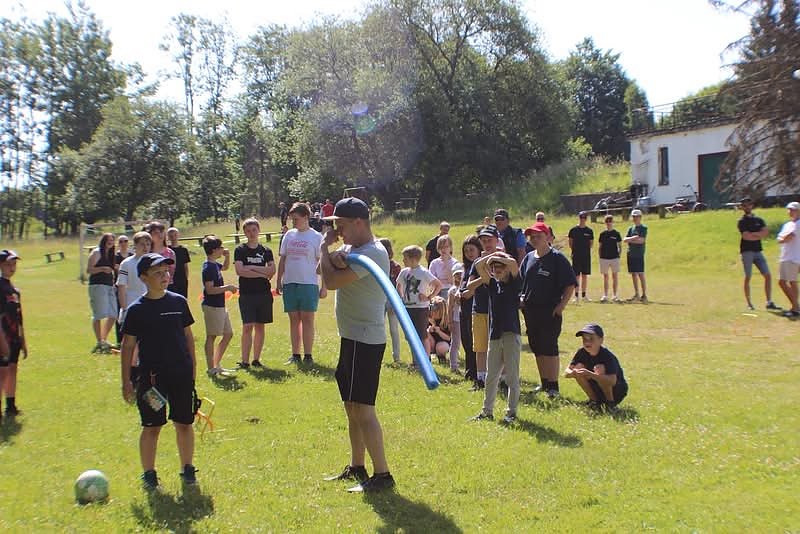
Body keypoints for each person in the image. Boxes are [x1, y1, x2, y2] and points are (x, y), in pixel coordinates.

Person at [319, 197, 395, 493]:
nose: (337, 231)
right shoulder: (353, 249)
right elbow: (330, 267)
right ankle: (357, 466)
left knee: (364, 408)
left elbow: (333, 281)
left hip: (366, 339)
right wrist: (333, 256)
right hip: (350, 336)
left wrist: (326, 250)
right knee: (351, 406)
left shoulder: (373, 253)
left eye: (341, 224)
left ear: (359, 223)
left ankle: (383, 474)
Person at [120, 253, 198, 490]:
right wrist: (126, 381)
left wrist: (193, 369)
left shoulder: (178, 302)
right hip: (153, 380)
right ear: (144, 278)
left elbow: (188, 337)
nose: (164, 276)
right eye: (157, 273)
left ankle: (187, 469)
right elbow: (128, 346)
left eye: (166, 272)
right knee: (152, 426)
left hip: (181, 375)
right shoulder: (136, 310)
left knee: (184, 422)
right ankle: (149, 475)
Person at [521, 222, 577, 399]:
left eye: (538, 236)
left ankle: (554, 387)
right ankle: (544, 383)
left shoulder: (557, 258)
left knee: (549, 347)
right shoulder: (528, 257)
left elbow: (570, 285)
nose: (534, 239)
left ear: (548, 237)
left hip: (550, 311)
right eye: (532, 237)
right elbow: (521, 282)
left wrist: (561, 307)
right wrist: (521, 299)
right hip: (530, 311)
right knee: (537, 347)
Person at [470, 252, 521, 424]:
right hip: (495, 335)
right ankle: (487, 411)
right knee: (491, 375)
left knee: (512, 376)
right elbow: (478, 266)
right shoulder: (493, 285)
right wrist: (492, 257)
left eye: (500, 267)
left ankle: (511, 412)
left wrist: (501, 258)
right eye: (494, 268)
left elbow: (513, 263)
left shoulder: (514, 283)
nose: (496, 270)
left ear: (506, 269)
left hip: (510, 333)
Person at [276, 202, 326, 365]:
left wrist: (324, 286)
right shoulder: (289, 235)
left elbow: (322, 263)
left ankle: (308, 355)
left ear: (306, 217)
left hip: (308, 283)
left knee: (308, 319)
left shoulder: (317, 237)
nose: (293, 222)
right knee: (293, 319)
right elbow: (283, 259)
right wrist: (279, 280)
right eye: (292, 220)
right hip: (290, 282)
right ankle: (295, 355)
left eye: (296, 219)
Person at [462, 225, 500, 390]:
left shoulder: (503, 259)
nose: (487, 243)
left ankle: (502, 380)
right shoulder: (477, 262)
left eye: (489, 240)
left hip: (499, 309)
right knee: (480, 346)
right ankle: (481, 380)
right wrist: (483, 275)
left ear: (496, 241)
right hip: (480, 308)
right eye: (483, 241)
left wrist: (487, 276)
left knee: (500, 347)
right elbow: (469, 285)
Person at [234, 218, 275, 368]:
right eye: (248, 231)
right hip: (247, 294)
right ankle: (244, 361)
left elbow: (272, 270)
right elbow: (240, 271)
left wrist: (250, 267)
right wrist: (262, 273)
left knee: (260, 327)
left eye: (254, 230)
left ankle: (256, 359)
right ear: (244, 232)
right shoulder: (240, 250)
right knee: (247, 327)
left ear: (259, 231)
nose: (251, 233)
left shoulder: (266, 251)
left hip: (264, 294)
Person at [565, 323, 628, 412]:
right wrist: (573, 372)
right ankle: (594, 401)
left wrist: (591, 374)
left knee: (600, 368)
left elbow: (612, 381)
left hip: (616, 391)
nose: (587, 342)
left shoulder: (607, 355)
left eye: (591, 339)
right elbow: (567, 372)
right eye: (584, 339)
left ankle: (610, 404)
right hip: (596, 389)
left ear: (601, 340)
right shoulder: (582, 352)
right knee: (579, 368)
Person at [397, 245, 442, 365]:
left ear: (413, 259)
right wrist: (400, 298)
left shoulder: (423, 272)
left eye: (405, 258)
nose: (403, 260)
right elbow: (398, 285)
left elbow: (438, 285)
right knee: (411, 336)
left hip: (421, 308)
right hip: (408, 308)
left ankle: (426, 360)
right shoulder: (404, 272)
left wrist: (429, 297)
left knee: (422, 335)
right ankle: (415, 361)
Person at [201, 236, 237, 376]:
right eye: (221, 248)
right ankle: (211, 368)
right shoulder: (208, 268)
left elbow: (226, 267)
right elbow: (210, 290)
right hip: (212, 306)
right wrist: (227, 287)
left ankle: (217, 364)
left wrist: (227, 256)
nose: (223, 249)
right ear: (214, 250)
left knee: (228, 334)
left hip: (220, 306)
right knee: (212, 336)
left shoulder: (214, 264)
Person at [738, 197, 778, 311]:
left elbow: (765, 232)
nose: (747, 207)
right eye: (744, 205)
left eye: (749, 204)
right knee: (748, 276)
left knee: (768, 275)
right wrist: (758, 234)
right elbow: (746, 236)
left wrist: (754, 234)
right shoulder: (741, 222)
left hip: (758, 251)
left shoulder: (759, 220)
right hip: (747, 251)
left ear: (752, 205)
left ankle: (769, 301)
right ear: (742, 207)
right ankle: (749, 303)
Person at [0, 250, 26, 418]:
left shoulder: (14, 290)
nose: (12, 267)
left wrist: (23, 340)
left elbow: (19, 317)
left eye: (14, 264)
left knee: (13, 369)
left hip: (14, 337)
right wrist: (2, 342)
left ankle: (11, 405)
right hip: (3, 337)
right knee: (2, 372)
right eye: (8, 264)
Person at [87, 233, 118, 353]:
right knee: (99, 314)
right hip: (97, 285)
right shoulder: (96, 252)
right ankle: (100, 341)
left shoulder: (111, 254)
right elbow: (89, 269)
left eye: (112, 240)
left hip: (109, 285)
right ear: (103, 241)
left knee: (113, 314)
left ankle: (103, 340)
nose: (110, 242)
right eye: (108, 240)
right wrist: (102, 269)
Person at [117, 232, 153, 329]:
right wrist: (124, 309)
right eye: (142, 244)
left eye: (148, 244)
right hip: (132, 304)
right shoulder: (126, 263)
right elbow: (121, 287)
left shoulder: (155, 262)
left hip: (152, 304)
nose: (145, 247)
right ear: (135, 245)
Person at [459, 235, 482, 382]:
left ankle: (476, 372)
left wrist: (469, 292)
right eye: (466, 250)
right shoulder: (466, 267)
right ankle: (469, 371)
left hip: (477, 307)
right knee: (466, 340)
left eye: (472, 249)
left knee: (475, 342)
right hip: (464, 308)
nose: (469, 253)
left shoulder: (482, 265)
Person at [378, 238, 402, 364]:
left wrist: (396, 302)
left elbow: (399, 285)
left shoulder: (395, 266)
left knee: (394, 329)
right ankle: (378, 355)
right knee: (379, 328)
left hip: (392, 300)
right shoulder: (376, 265)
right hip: (379, 300)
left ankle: (396, 356)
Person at [776, 201, 800, 317]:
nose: (791, 212)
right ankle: (795, 306)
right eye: (789, 210)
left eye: (793, 210)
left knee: (788, 282)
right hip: (785, 255)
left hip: (793, 257)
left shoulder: (799, 224)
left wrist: (783, 238)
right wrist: (783, 238)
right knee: (786, 282)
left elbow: (789, 237)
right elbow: (780, 237)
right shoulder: (787, 225)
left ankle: (795, 307)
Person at [568, 211, 594, 302]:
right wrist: (574, 251)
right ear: (579, 218)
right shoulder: (573, 230)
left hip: (586, 256)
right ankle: (576, 296)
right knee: (576, 276)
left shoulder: (589, 231)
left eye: (584, 218)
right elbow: (570, 242)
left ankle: (584, 295)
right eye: (581, 217)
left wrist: (585, 251)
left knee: (585, 275)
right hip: (576, 255)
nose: (582, 219)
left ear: (586, 219)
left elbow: (591, 244)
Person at [623, 209, 648, 303]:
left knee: (640, 274)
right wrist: (633, 238)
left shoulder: (643, 228)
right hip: (630, 254)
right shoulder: (631, 228)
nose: (634, 218)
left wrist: (631, 240)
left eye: (636, 216)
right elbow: (625, 239)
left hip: (639, 254)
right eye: (633, 216)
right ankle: (636, 294)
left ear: (640, 217)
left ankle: (644, 294)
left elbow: (642, 240)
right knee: (633, 274)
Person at [598, 214, 622, 303]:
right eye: (607, 222)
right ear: (605, 223)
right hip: (604, 258)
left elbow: (620, 246)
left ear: (613, 222)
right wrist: (600, 257)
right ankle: (605, 295)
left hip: (614, 257)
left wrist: (618, 255)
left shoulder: (616, 234)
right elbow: (600, 247)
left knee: (615, 276)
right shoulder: (602, 234)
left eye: (610, 221)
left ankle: (615, 295)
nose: (608, 223)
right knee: (605, 277)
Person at [447, 264, 463, 373]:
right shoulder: (453, 290)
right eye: (457, 275)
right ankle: (453, 365)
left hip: (465, 318)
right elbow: (450, 307)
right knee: (455, 342)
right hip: (456, 319)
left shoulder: (465, 288)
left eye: (461, 274)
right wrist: (450, 321)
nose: (459, 277)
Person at [167, 227, 191, 299]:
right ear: (168, 237)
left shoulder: (183, 250)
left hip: (182, 279)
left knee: (182, 298)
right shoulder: (167, 250)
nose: (173, 238)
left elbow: (185, 266)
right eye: (171, 236)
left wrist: (186, 278)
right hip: (171, 279)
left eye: (175, 235)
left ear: (178, 235)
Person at [427, 296, 451, 365]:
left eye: (436, 311)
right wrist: (429, 330)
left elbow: (449, 338)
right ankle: (429, 356)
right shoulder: (429, 319)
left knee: (441, 347)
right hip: (432, 342)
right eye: (432, 310)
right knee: (425, 334)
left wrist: (439, 332)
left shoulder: (446, 321)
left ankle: (441, 357)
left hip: (442, 343)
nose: (433, 313)